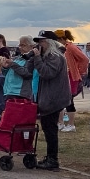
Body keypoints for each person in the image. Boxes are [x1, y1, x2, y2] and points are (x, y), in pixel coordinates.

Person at [31, 30, 71, 171]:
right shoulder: (50, 56)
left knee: (50, 130)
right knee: (48, 129)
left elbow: (47, 73)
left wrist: (37, 58)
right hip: (52, 98)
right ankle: (50, 157)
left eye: (41, 41)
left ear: (49, 42)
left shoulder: (55, 57)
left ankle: (53, 160)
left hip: (54, 99)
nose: (39, 44)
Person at [56, 29, 90, 132]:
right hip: (63, 75)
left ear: (61, 39)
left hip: (71, 76)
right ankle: (60, 122)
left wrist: (79, 71)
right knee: (61, 100)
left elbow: (84, 59)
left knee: (69, 100)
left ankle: (71, 124)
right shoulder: (61, 48)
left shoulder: (70, 47)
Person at [1, 36, 36, 101]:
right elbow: (7, 74)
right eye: (19, 45)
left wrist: (12, 64)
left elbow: (27, 73)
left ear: (32, 46)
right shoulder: (17, 58)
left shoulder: (32, 59)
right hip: (9, 92)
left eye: (23, 45)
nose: (20, 48)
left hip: (20, 94)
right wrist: (5, 67)